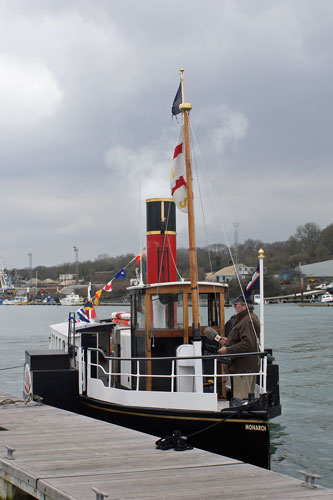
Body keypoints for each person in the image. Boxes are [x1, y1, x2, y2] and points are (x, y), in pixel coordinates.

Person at [218, 294, 260, 402]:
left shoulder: (247, 321)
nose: (234, 306)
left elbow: (248, 344)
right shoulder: (245, 319)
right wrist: (229, 341)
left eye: (236, 304)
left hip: (243, 367)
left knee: (241, 400)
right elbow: (245, 340)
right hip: (244, 366)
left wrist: (227, 350)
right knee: (244, 398)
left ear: (244, 306)